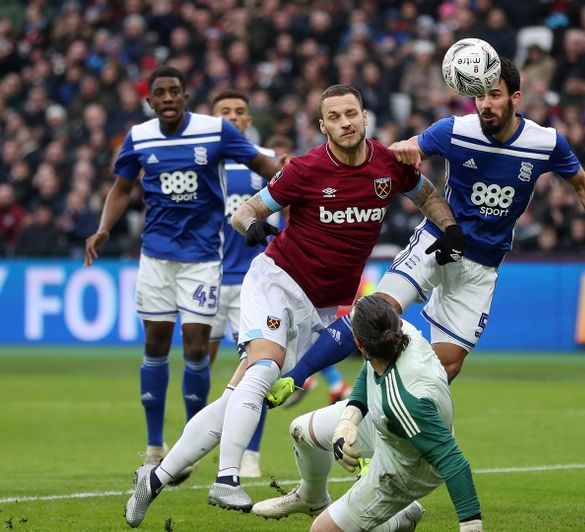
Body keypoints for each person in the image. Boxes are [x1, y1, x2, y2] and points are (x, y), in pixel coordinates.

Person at [124, 84, 460, 526]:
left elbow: (429, 196)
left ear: (364, 117)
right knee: (263, 369)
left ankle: (155, 478)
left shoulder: (387, 165)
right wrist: (253, 229)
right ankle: (227, 478)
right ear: (323, 127)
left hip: (320, 308)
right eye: (334, 117)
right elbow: (245, 212)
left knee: (240, 401)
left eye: (351, 114)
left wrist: (449, 227)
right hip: (276, 281)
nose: (345, 123)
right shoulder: (305, 169)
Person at [268, 57, 585, 404]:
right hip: (437, 239)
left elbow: (584, 185)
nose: (485, 104)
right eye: (478, 95)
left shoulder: (545, 142)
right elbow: (407, 149)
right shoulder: (454, 130)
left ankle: (372, 418)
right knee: (376, 312)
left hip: (481, 266)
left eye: (494, 94)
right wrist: (406, 149)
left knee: (446, 367)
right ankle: (295, 377)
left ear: (515, 97)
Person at [84, 66, 281, 473]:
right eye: (161, 93)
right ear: (151, 101)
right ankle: (155, 446)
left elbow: (262, 165)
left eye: (176, 90)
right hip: (155, 258)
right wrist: (104, 229)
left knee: (195, 348)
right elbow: (121, 188)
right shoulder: (139, 137)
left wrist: (295, 174)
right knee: (155, 346)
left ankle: (189, 446)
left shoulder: (214, 131)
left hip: (203, 257)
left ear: (186, 96)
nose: (169, 98)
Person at [207, 89, 352, 478]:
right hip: (207, 274)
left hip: (257, 277)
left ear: (249, 119)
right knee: (200, 362)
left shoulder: (264, 162)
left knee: (258, 368)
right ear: (213, 118)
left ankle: (245, 456)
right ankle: (201, 451)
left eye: (240, 112)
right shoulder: (201, 162)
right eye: (225, 113)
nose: (233, 118)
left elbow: (295, 206)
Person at [253, 295, 483, 532]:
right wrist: (348, 420)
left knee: (321, 531)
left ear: (359, 344)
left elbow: (454, 463)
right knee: (301, 430)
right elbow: (369, 369)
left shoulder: (404, 400)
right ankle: (312, 498)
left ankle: (403, 514)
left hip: (408, 462)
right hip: (387, 420)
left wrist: (471, 526)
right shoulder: (399, 333)